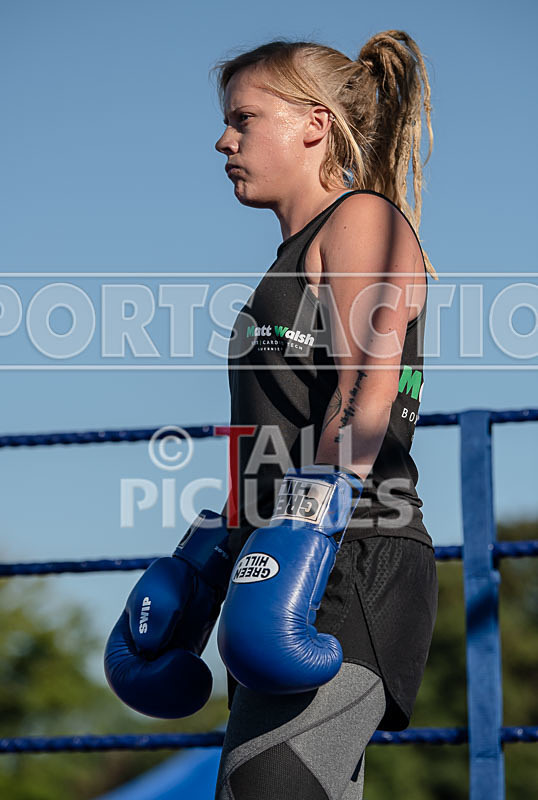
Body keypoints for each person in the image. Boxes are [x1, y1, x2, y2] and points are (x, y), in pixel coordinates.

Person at [210, 30, 439, 800]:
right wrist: (208, 548)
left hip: (350, 552)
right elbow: (274, 429)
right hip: (289, 556)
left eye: (244, 119)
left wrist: (302, 525)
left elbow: (368, 392)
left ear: (314, 124)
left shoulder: (361, 219)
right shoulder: (286, 260)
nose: (224, 139)